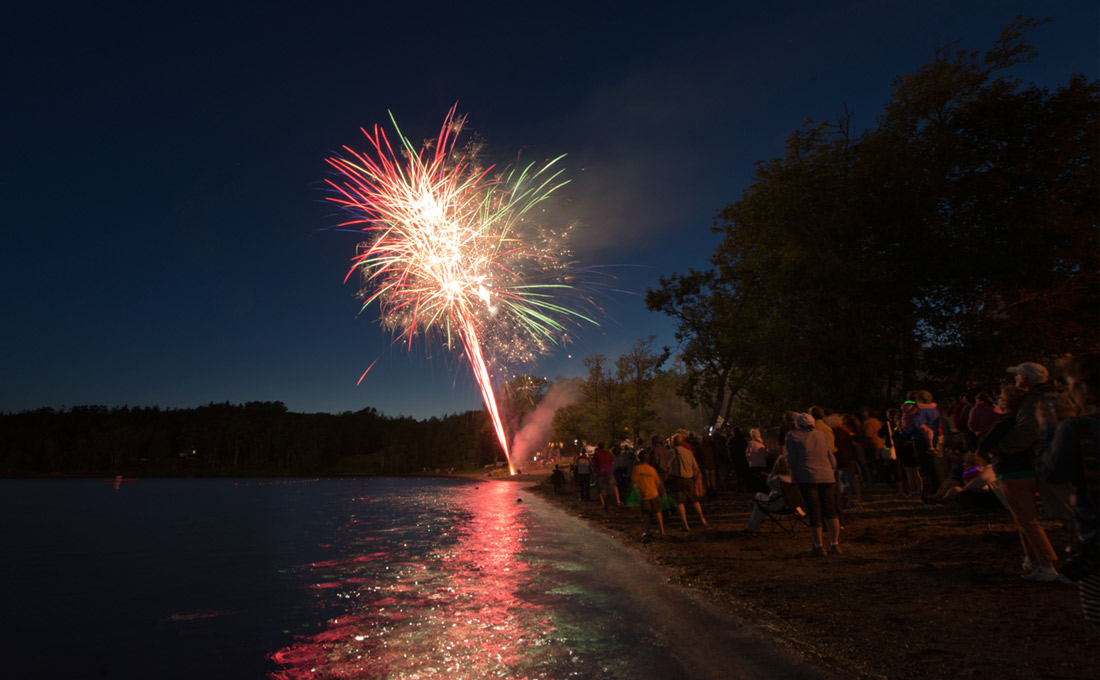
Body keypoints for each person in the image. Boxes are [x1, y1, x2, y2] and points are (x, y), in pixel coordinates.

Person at [1037, 353, 1099, 626]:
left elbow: (1052, 471)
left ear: (1084, 388)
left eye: (1071, 385)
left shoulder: (1078, 429)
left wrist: (1047, 430)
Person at [785, 413, 840, 556]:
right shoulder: (821, 435)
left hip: (807, 477)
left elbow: (791, 458)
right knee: (830, 511)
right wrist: (833, 469)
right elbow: (830, 455)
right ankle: (835, 543)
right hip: (826, 476)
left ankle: (818, 545)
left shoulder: (792, 436)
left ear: (799, 424)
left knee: (814, 511)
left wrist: (793, 472)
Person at [742, 456, 796, 533]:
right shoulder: (793, 478)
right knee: (759, 499)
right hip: (794, 506)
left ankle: (751, 527)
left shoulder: (777, 479)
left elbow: (769, 483)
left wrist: (772, 473)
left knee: (758, 500)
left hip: (778, 505)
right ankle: (754, 523)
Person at [668, 432, 708, 532]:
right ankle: (702, 518)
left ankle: (685, 525)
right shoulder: (688, 452)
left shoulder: (672, 452)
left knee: (679, 502)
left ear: (673, 442)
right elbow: (695, 467)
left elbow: (668, 466)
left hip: (678, 479)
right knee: (694, 500)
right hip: (689, 479)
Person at [630, 450, 666, 537]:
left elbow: (633, 482)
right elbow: (658, 482)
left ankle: (648, 531)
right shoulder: (652, 469)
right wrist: (663, 492)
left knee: (646, 514)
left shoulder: (637, 469)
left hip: (644, 494)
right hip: (654, 493)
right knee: (657, 512)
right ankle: (661, 530)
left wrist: (633, 493)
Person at [592, 442, 620, 514]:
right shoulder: (608, 453)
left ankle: (604, 505)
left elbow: (593, 465)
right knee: (614, 486)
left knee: (601, 490)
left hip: (600, 473)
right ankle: (618, 501)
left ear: (598, 446)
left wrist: (596, 471)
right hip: (609, 472)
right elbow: (612, 463)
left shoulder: (596, 454)